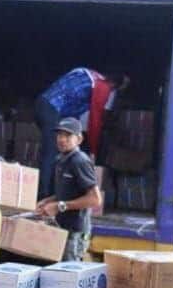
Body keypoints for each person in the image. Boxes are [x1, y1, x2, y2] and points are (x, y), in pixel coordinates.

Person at [36, 68, 128, 197]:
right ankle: (43, 196)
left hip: (44, 104)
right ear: (114, 86)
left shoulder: (90, 75)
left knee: (55, 153)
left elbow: (73, 108)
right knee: (51, 154)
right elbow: (95, 120)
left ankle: (52, 192)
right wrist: (93, 150)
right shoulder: (103, 87)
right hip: (52, 109)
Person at [35, 118, 102, 261]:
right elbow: (66, 192)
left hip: (75, 233)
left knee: (67, 276)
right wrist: (47, 201)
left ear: (79, 139)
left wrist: (60, 206)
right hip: (62, 228)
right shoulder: (61, 160)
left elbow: (95, 199)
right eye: (60, 135)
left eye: (67, 135)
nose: (62, 139)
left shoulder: (80, 161)